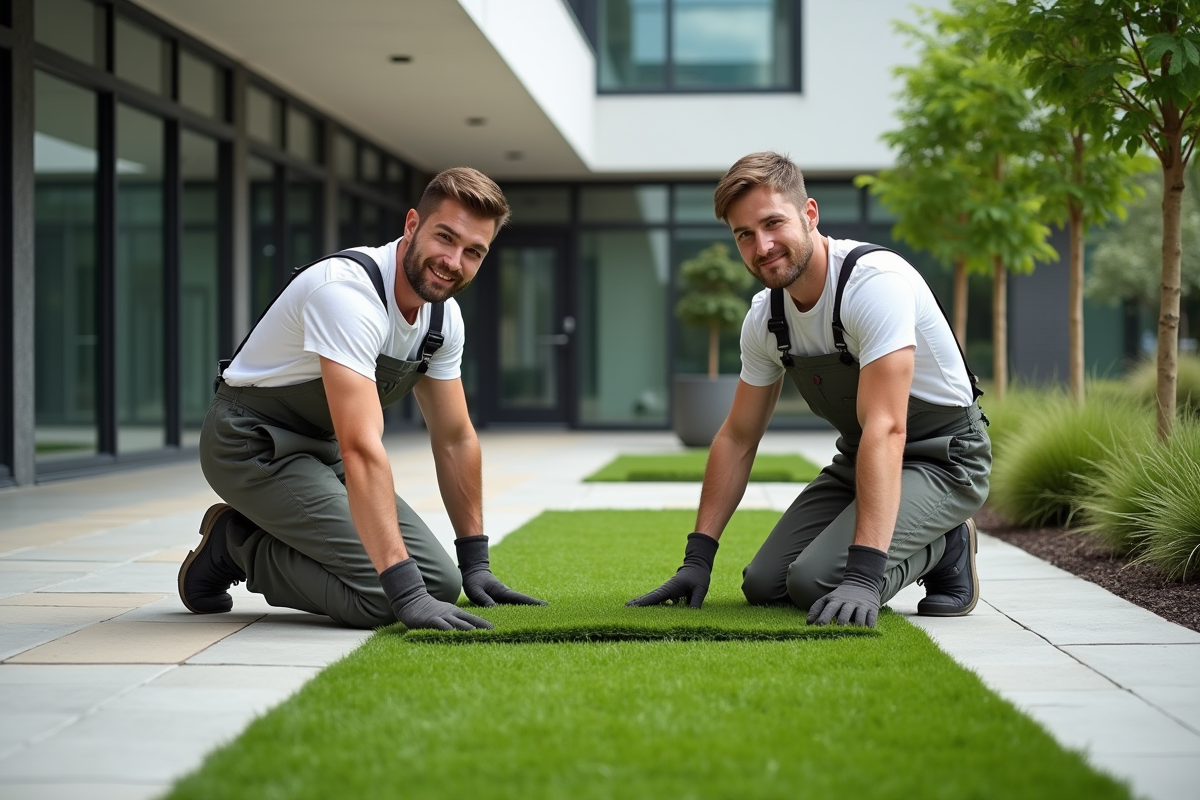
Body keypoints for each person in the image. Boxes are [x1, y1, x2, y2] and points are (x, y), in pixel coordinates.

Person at [628, 152, 991, 628]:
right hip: (861, 460)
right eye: (744, 235)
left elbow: (887, 426)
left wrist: (864, 577)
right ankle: (915, 542)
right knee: (763, 584)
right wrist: (697, 559)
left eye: (773, 223)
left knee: (816, 582)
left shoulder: (874, 284)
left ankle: (948, 544)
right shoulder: (766, 318)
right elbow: (738, 437)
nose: (762, 246)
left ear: (810, 214)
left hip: (944, 457)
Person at [179, 167, 544, 631]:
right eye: (445, 238)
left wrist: (476, 563)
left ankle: (266, 533)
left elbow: (454, 438)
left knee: (440, 582)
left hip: (320, 452)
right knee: (386, 596)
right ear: (412, 224)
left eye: (473, 252)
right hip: (250, 445)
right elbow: (362, 448)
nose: (454, 261)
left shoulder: (442, 319)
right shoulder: (347, 293)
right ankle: (236, 544)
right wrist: (402, 590)